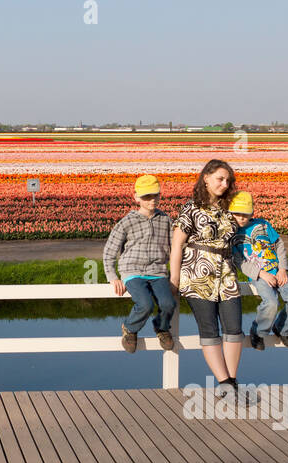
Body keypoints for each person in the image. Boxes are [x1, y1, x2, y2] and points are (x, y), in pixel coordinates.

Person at [170, 159, 246, 400]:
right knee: (209, 330)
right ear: (206, 178)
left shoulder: (229, 209)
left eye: (228, 181)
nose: (224, 184)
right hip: (196, 274)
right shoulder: (190, 209)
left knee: (234, 328)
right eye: (220, 179)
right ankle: (225, 384)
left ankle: (232, 381)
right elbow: (177, 245)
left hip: (226, 274)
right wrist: (174, 278)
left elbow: (240, 243)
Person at [103, 174, 175, 353]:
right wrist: (112, 277)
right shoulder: (127, 221)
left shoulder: (165, 220)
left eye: (155, 195)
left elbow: (175, 249)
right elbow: (109, 251)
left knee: (168, 304)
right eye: (146, 196)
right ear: (135, 197)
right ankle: (129, 328)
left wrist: (175, 275)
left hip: (158, 272)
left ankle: (161, 327)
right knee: (145, 304)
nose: (152, 200)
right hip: (133, 271)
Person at [228, 191, 288, 350]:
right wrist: (261, 274)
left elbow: (279, 245)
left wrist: (283, 269)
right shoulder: (232, 234)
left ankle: (282, 329)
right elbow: (239, 261)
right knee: (271, 303)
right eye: (237, 214)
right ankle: (258, 332)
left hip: (277, 271)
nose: (241, 218)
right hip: (259, 276)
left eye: (245, 214)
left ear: (252, 213)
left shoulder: (263, 225)